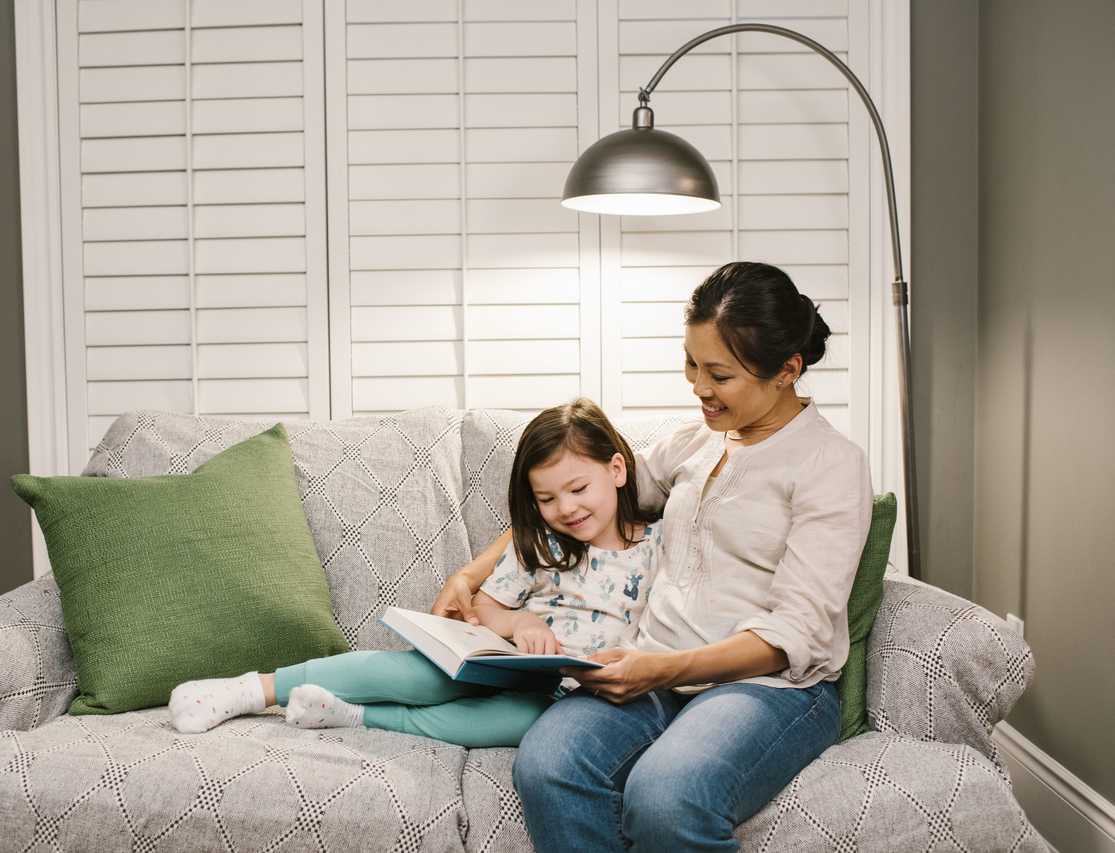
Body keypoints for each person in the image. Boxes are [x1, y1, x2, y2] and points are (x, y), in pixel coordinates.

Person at [433, 261, 873, 851]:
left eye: (718, 373)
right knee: (548, 765)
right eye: (691, 362)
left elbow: (796, 633)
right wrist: (471, 574)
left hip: (770, 690)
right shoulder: (698, 441)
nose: (698, 386)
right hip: (652, 670)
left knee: (668, 796)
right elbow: (586, 499)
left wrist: (659, 670)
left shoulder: (830, 465)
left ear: (786, 370)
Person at [167, 398, 664, 749]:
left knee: (516, 724)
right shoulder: (542, 543)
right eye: (547, 498)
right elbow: (487, 606)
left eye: (578, 489)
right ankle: (253, 689)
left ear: (617, 471)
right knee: (420, 675)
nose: (566, 508)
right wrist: (521, 624)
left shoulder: (659, 548)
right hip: (506, 660)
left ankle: (356, 716)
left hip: (567, 696)